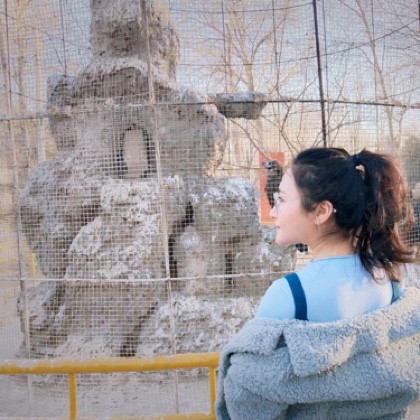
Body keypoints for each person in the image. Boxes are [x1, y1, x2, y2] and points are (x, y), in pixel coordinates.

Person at [216, 147, 420, 419]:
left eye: (281, 199)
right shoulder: (391, 284)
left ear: (321, 211)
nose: (274, 210)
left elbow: (247, 396)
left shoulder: (288, 295)